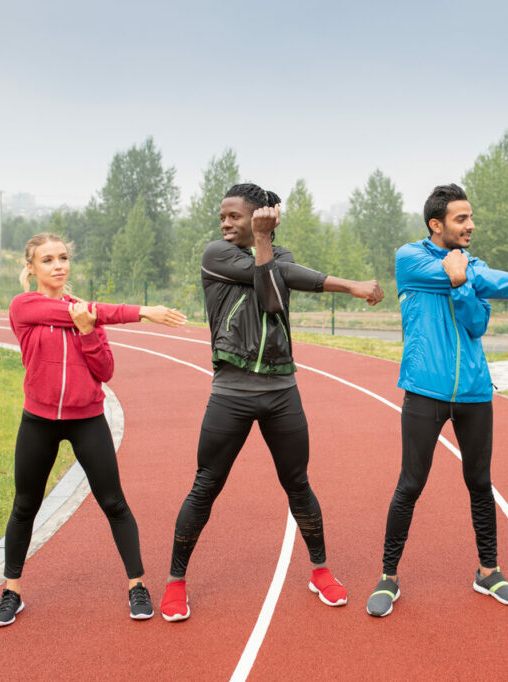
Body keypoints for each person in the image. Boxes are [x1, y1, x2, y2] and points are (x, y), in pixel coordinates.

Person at [160, 183, 384, 621]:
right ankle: (175, 582)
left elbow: (287, 275)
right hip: (232, 393)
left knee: (298, 483)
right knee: (206, 485)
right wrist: (262, 240)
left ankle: (320, 571)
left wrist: (354, 286)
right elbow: (269, 294)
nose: (225, 223)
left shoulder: (278, 257)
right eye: (222, 216)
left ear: (261, 216)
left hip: (282, 391)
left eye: (235, 217)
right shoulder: (215, 255)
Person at [365, 183, 508, 618]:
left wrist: (460, 286)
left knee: (480, 483)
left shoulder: (473, 266)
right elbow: (480, 280)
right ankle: (388, 575)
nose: (471, 225)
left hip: (475, 392)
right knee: (410, 485)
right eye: (461, 218)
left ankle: (488, 571)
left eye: (471, 217)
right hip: (425, 390)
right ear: (436, 225)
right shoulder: (409, 258)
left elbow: (476, 323)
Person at [0, 232, 187, 627]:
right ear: (31, 268)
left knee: (114, 503)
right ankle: (11, 591)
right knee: (25, 506)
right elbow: (82, 312)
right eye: (47, 260)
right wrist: (143, 311)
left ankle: (137, 586)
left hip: (87, 420)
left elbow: (105, 370)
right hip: (39, 422)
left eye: (62, 257)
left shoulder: (86, 314)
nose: (58, 265)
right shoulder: (25, 306)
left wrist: (87, 332)